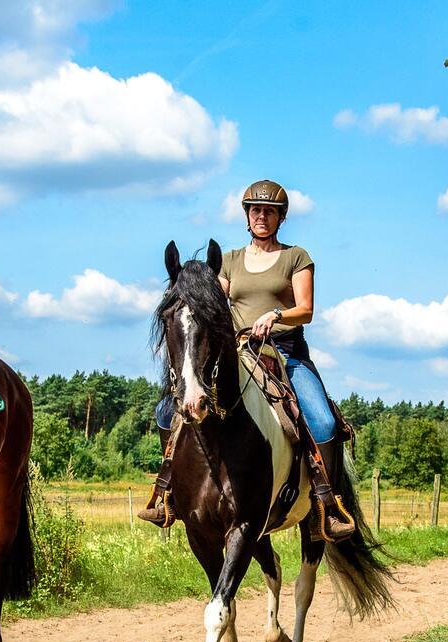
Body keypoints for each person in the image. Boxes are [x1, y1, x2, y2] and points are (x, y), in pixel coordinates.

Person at [139, 179, 356, 541]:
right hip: (239, 352)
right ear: (247, 215)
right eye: (255, 210)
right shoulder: (230, 261)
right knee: (166, 411)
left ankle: (326, 506)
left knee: (321, 421)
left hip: (284, 353)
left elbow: (306, 310)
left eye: (269, 211)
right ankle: (169, 492)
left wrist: (275, 315)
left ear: (280, 218)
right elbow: (214, 305)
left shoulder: (296, 256)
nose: (262, 217)